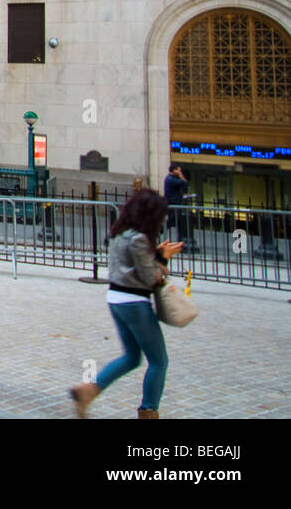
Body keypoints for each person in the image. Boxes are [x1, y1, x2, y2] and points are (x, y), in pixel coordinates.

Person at [70, 189, 182, 419]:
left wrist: (156, 255)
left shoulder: (119, 234)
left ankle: (89, 390)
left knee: (132, 356)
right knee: (159, 361)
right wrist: (162, 258)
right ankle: (149, 410)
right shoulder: (139, 238)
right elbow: (150, 278)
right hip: (134, 302)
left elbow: (131, 267)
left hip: (116, 299)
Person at [162, 164, 192, 243]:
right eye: (178, 170)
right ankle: (160, 230)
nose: (180, 172)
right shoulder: (170, 179)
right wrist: (180, 175)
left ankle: (180, 239)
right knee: (173, 220)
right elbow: (183, 182)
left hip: (176, 202)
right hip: (172, 202)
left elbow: (185, 184)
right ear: (174, 170)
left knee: (179, 221)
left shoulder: (173, 178)